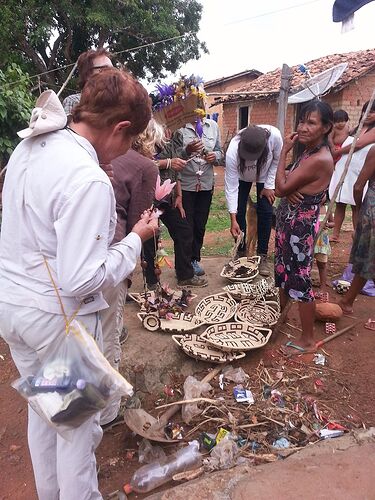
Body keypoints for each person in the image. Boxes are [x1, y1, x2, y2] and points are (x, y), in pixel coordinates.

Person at [0, 68, 158, 500]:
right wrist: (134, 240)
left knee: (44, 415)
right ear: (121, 128)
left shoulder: (29, 147)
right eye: (129, 141)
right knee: (76, 434)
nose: (125, 152)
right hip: (57, 320)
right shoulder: (87, 177)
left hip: (14, 308)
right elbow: (81, 278)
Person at [99, 145, 158, 427]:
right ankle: (107, 414)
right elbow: (137, 222)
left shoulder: (38, 155)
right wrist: (138, 242)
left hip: (48, 276)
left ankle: (72, 407)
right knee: (108, 337)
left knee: (78, 342)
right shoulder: (144, 166)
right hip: (107, 262)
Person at [275, 100, 334, 352]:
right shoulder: (309, 152)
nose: (304, 127)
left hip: (298, 231)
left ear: (326, 127)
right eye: (302, 121)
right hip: (290, 226)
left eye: (311, 122)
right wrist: (290, 190)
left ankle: (307, 339)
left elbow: (279, 188)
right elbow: (288, 186)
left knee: (299, 280)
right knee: (284, 273)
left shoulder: (318, 158)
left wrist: (283, 153)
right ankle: (281, 316)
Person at [133, 119, 208, 288]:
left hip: (169, 194)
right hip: (148, 195)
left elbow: (176, 168)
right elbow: (140, 162)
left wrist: (179, 195)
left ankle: (185, 275)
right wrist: (168, 162)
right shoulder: (145, 132)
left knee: (184, 230)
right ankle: (152, 281)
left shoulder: (178, 135)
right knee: (150, 236)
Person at [225, 124, 283, 276]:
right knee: (238, 211)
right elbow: (231, 186)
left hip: (265, 176)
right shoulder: (233, 149)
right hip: (242, 177)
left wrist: (269, 185)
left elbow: (277, 161)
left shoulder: (275, 137)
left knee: (266, 211)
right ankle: (241, 249)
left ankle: (262, 255)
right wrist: (233, 218)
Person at [173, 117, 222, 276]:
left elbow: (220, 151)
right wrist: (187, 151)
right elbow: (174, 155)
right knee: (186, 226)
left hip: (206, 185)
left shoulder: (212, 126)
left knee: (200, 225)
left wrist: (215, 156)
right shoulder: (178, 127)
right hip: (186, 185)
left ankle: (194, 259)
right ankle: (184, 264)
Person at [338, 144, 375, 329]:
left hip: (372, 211)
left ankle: (347, 301)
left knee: (366, 258)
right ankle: (347, 301)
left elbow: (359, 186)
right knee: (368, 259)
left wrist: (360, 209)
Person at [329, 100, 375, 242]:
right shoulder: (355, 129)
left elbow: (359, 144)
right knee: (340, 203)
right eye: (365, 110)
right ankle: (335, 234)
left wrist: (339, 152)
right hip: (345, 170)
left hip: (360, 172)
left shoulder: (373, 130)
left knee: (356, 206)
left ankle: (357, 234)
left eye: (372, 111)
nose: (367, 114)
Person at [62, 48, 113, 115]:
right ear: (88, 74)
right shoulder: (74, 101)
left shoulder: (119, 102)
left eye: (113, 69)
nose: (113, 74)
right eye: (105, 69)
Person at [313, 200, 333, 294]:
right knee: (306, 264)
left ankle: (323, 287)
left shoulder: (327, 209)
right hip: (310, 241)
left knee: (322, 264)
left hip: (322, 243)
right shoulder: (310, 207)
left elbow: (333, 223)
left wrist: (327, 224)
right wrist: (317, 224)